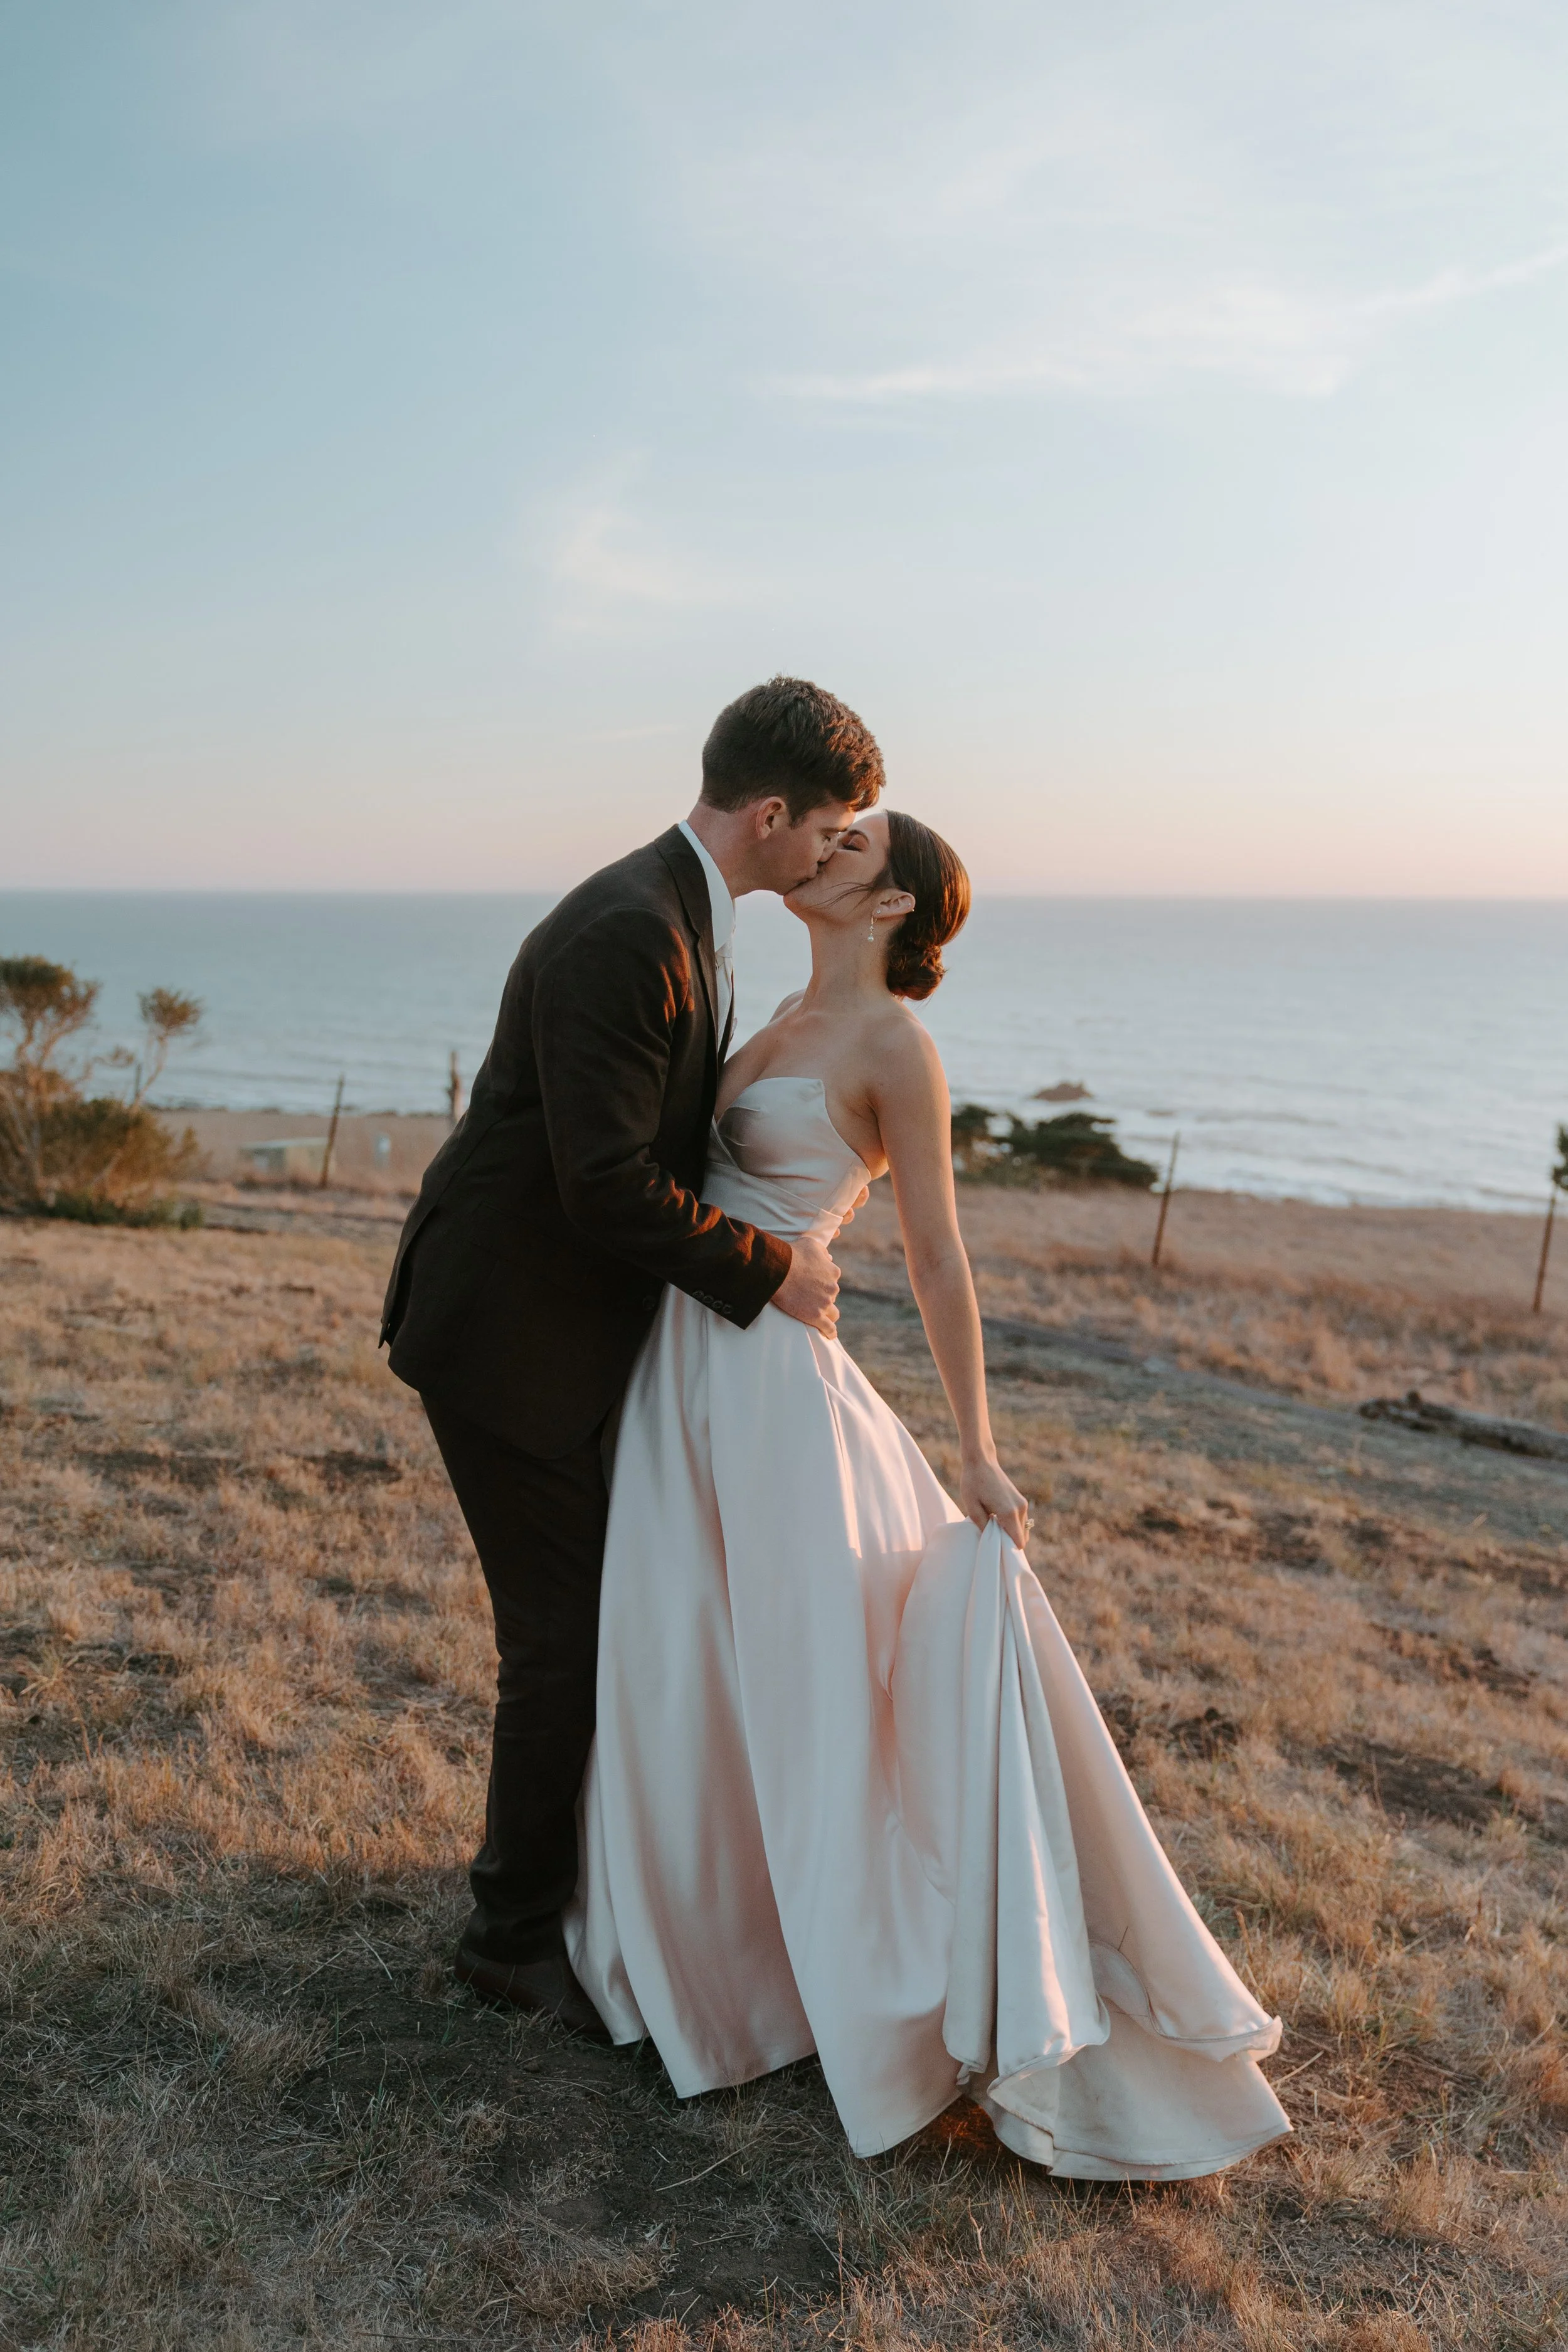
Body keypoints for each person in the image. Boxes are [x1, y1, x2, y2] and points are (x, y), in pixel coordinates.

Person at [567, 806, 1291, 2177]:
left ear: (893, 907)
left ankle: (835, 1979)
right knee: (676, 1657)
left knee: (797, 1680)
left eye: (853, 849)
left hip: (778, 1388)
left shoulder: (897, 1048)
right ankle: (698, 1954)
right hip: (682, 1369)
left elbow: (941, 1260)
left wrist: (975, 1446)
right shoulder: (766, 1006)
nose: (821, 852)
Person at [381, 677, 884, 2029]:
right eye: (830, 828)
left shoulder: (685, 911)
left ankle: (581, 1894)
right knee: (562, 1636)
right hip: (505, 1332)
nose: (835, 851)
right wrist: (774, 1267)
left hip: (566, 1324)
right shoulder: (628, 927)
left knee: (599, 1618)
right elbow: (603, 1182)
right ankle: (506, 1940)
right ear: (770, 814)